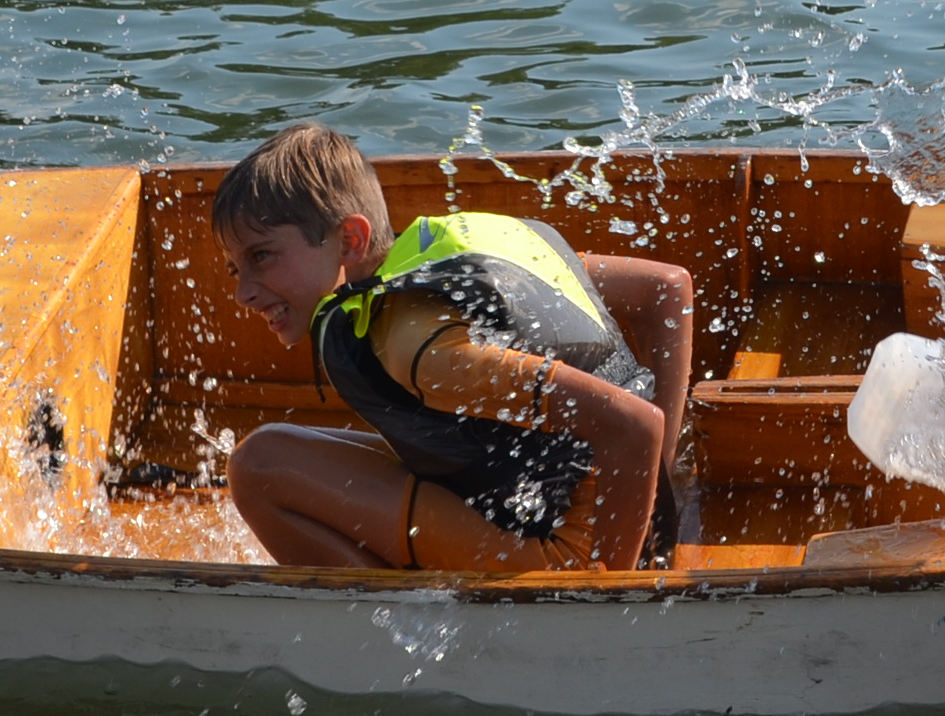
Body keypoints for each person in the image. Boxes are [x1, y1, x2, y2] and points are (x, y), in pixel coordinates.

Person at [215, 123, 693, 573]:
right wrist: (658, 483)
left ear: (349, 241)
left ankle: (388, 622)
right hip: (578, 511)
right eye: (236, 268)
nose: (242, 294)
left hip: (563, 556)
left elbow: (634, 425)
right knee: (294, 450)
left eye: (262, 256)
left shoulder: (423, 350)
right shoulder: (458, 250)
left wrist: (607, 595)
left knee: (261, 466)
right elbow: (667, 289)